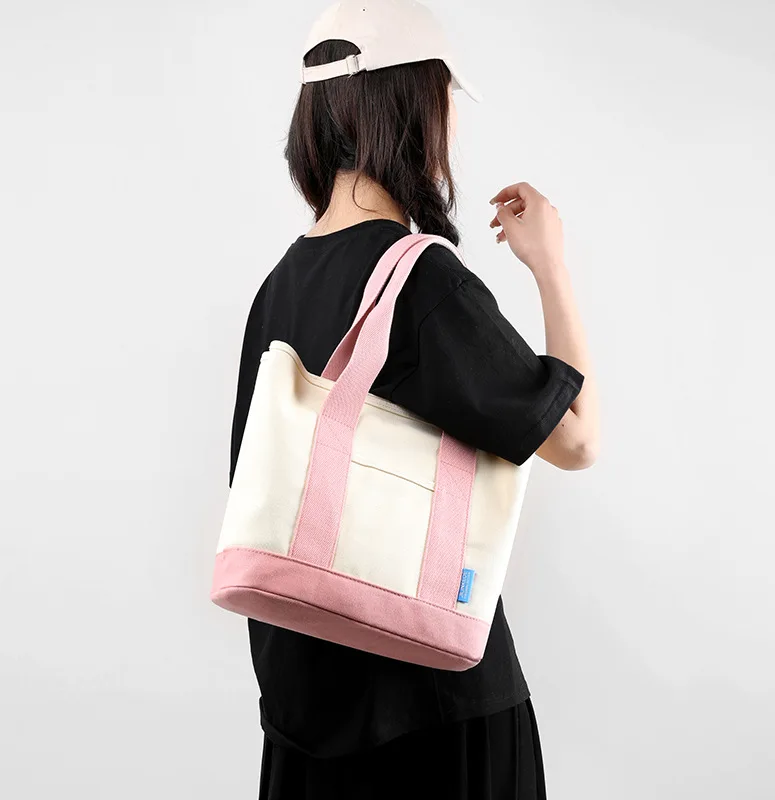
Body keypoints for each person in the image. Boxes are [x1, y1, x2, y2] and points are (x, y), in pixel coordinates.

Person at [228, 2, 600, 797]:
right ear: (415, 107)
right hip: (433, 714)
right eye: (446, 97)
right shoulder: (419, 279)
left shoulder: (279, 286)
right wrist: (551, 266)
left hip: (304, 715)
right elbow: (576, 437)